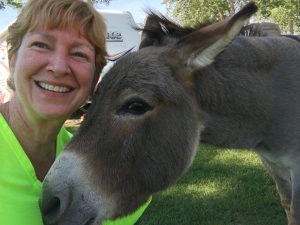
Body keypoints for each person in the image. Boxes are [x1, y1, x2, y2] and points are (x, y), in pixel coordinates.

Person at [0, 0, 150, 224]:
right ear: (12, 60)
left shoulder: (97, 167)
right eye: (41, 45)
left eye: (79, 54)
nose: (59, 67)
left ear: (94, 80)